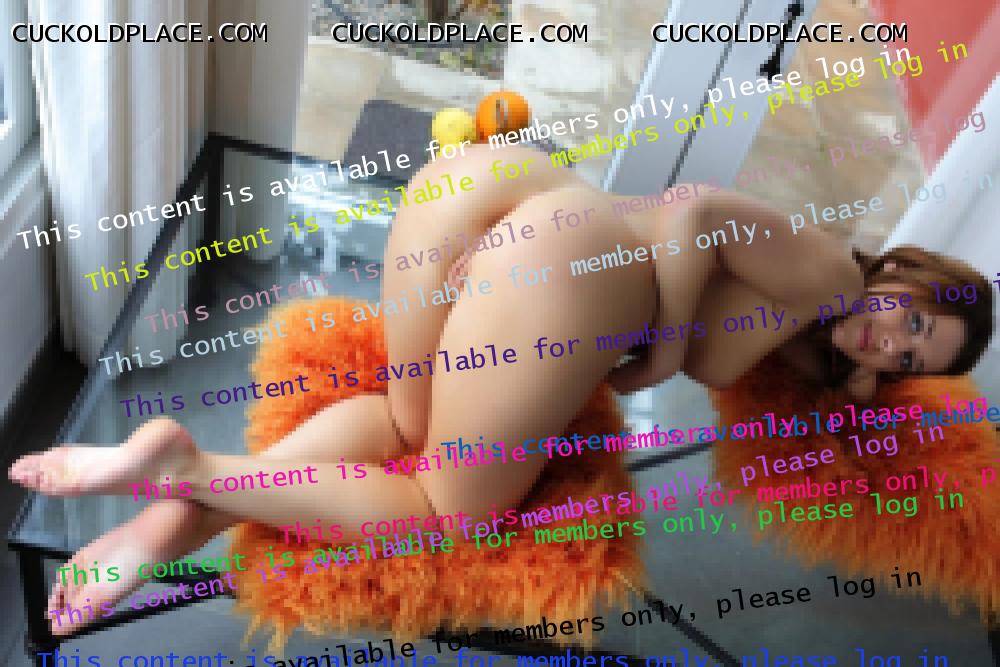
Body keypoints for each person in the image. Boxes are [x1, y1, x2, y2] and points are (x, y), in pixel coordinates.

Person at [8, 144, 993, 635]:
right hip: (571, 266)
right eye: (913, 318)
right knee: (449, 509)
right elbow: (694, 211)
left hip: (482, 187)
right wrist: (661, 356)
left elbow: (798, 352)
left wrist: (862, 376)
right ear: (905, 271)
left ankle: (169, 520)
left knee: (403, 425)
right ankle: (196, 467)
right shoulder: (830, 274)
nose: (894, 341)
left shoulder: (824, 315)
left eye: (915, 357)